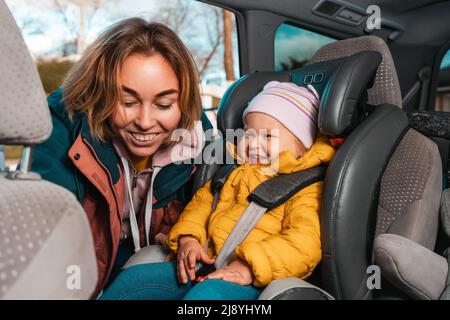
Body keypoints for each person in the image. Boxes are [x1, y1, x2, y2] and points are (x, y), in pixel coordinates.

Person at [100, 81, 336, 300]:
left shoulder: (306, 189)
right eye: (248, 133)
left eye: (267, 136)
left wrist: (248, 266)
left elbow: (303, 244)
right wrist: (189, 239)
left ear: (303, 149)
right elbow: (200, 206)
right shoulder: (231, 172)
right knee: (135, 280)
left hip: (256, 279)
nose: (253, 143)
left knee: (206, 296)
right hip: (206, 261)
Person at [31, 18, 212, 297]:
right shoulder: (61, 130)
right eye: (127, 102)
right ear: (101, 93)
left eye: (164, 105)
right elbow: (47, 247)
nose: (145, 121)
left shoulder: (198, 140)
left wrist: (181, 234)